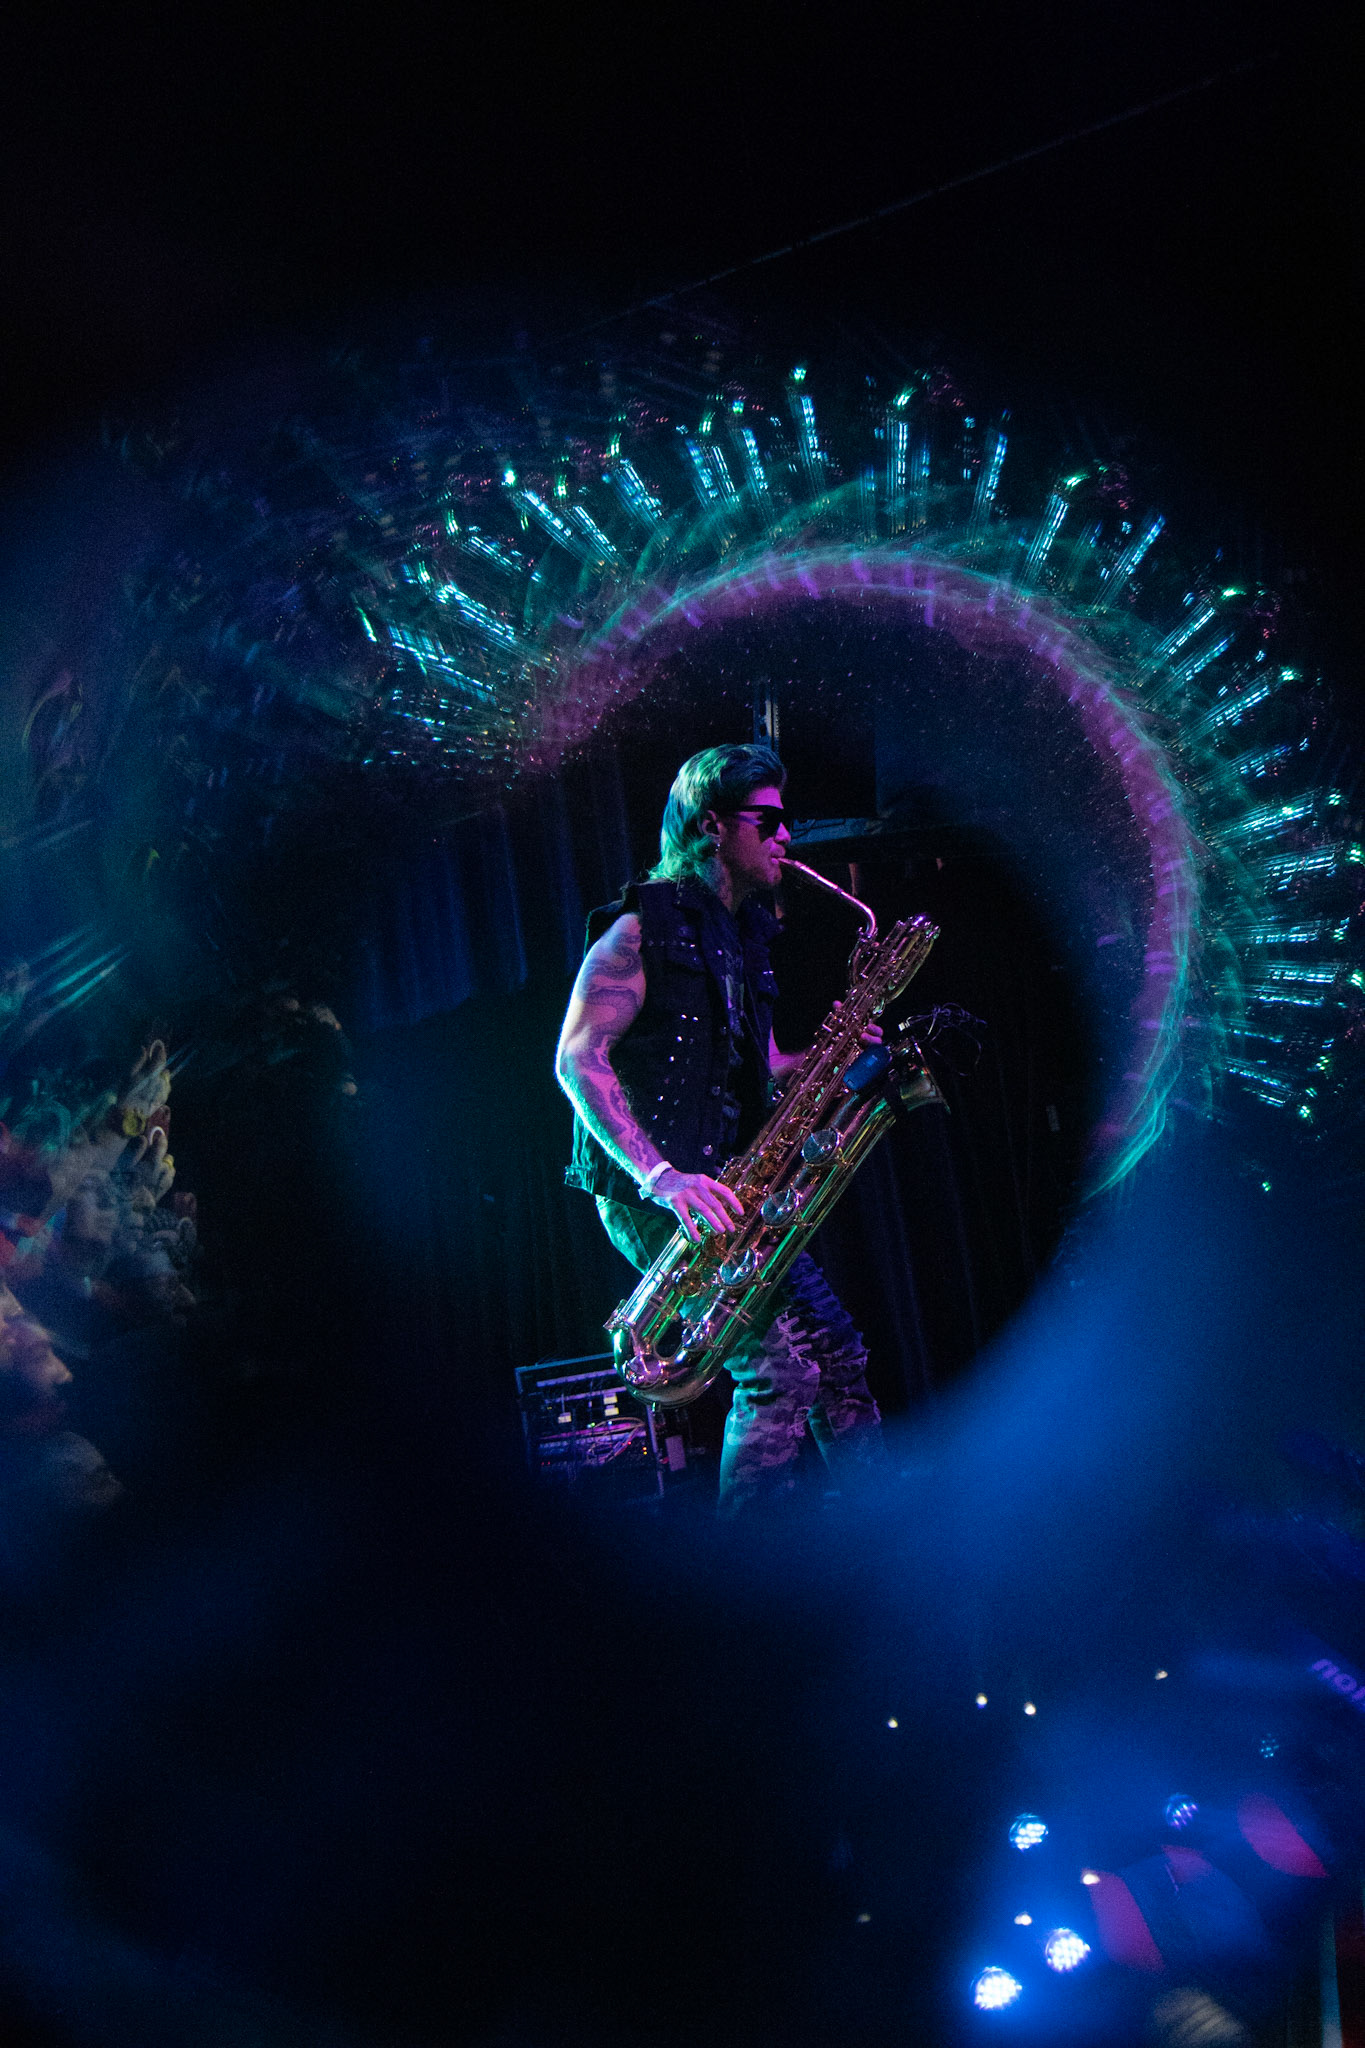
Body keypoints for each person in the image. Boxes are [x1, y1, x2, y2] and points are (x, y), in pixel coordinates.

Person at [556, 743, 883, 1512]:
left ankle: (883, 1531)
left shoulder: (741, 936)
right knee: (778, 1376)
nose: (785, 837)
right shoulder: (638, 931)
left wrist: (824, 1061)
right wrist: (660, 1178)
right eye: (768, 821)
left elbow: (756, 1067)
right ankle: (745, 1556)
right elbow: (576, 1059)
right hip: (656, 1195)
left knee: (838, 1357)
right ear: (710, 825)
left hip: (729, 1188)